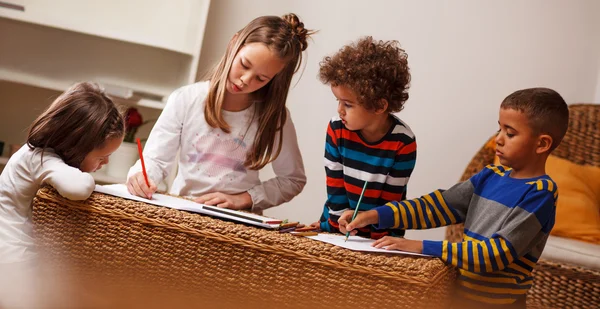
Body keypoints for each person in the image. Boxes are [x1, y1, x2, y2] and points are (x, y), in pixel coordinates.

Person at [339, 87, 569, 308]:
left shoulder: (540, 193)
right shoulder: (490, 176)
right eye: (499, 129)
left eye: (510, 133)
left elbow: (496, 254)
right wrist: (374, 215)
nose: (498, 139)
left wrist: (420, 246)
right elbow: (437, 206)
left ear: (542, 144)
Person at [127, 13, 314, 213]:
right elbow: (155, 160)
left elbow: (293, 179)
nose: (244, 80)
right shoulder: (186, 99)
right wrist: (141, 176)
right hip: (182, 215)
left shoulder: (275, 118)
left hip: (237, 224)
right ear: (234, 43)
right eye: (244, 65)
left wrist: (243, 199)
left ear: (274, 79)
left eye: (261, 78)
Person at [0, 82, 125, 307]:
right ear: (76, 144)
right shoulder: (39, 158)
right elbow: (78, 188)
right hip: (11, 261)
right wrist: (88, 178)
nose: (106, 162)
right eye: (101, 156)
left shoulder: (35, 154)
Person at [315, 36, 416, 239]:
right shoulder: (337, 129)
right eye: (338, 101)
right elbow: (335, 192)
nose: (339, 110)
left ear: (379, 106)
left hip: (381, 236)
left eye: (348, 104)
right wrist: (338, 224)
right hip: (336, 229)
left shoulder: (403, 142)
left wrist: (364, 228)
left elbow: (391, 203)